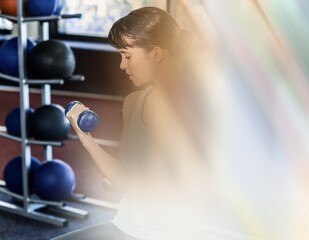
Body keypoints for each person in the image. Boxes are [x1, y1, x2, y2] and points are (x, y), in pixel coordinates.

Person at [52, 7, 207, 240]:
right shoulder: (134, 101)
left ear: (156, 54)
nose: (122, 65)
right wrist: (86, 138)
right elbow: (125, 180)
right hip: (127, 226)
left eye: (127, 55)